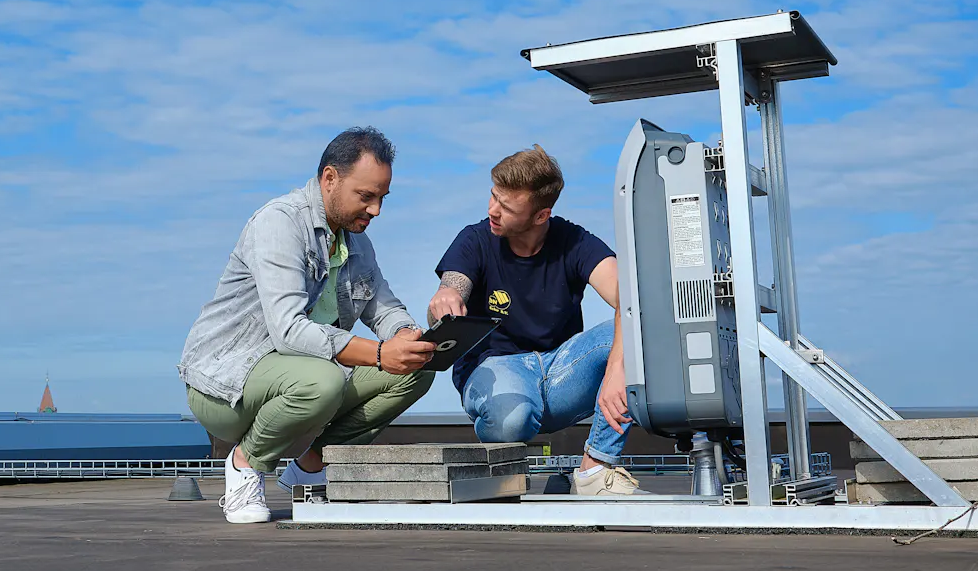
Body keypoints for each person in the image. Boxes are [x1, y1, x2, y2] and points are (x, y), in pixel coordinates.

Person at [180, 127, 437, 523]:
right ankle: (245, 463)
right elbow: (289, 331)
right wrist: (380, 353)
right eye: (366, 196)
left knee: (416, 370)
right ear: (329, 178)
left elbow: (384, 307)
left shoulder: (357, 243)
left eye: (382, 198)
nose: (376, 210)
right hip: (226, 386)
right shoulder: (278, 223)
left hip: (303, 379)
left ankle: (310, 469)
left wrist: (407, 337)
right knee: (324, 380)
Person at [427, 144, 643, 495]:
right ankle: (497, 457)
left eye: (506, 207)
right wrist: (446, 296)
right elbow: (452, 285)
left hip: (561, 371)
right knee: (511, 418)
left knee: (639, 341)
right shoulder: (475, 239)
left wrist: (618, 368)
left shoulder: (574, 241)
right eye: (493, 196)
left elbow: (631, 298)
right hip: (497, 367)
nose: (492, 210)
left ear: (541, 216)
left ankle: (594, 469)